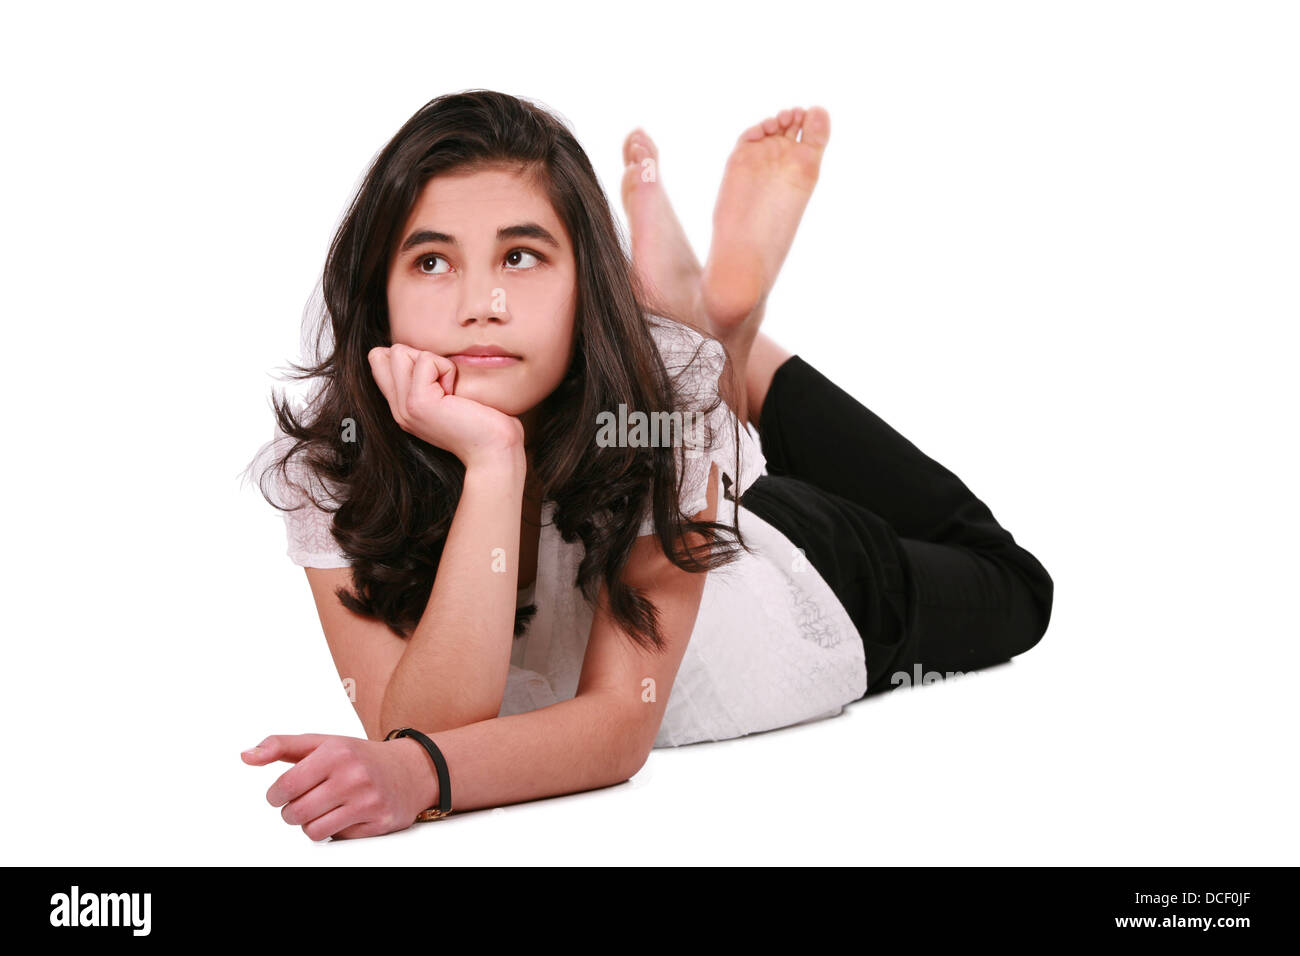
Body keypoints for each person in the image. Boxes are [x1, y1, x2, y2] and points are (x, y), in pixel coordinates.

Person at [242, 90, 1053, 841]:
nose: (478, 304)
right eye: (431, 262)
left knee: (1014, 584)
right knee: (684, 387)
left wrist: (417, 773)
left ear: (585, 288)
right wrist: (494, 462)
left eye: (520, 257)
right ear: (377, 295)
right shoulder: (327, 468)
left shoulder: (667, 426)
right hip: (687, 477)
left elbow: (616, 727)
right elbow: (419, 728)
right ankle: (710, 332)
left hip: (787, 573)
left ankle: (732, 346)